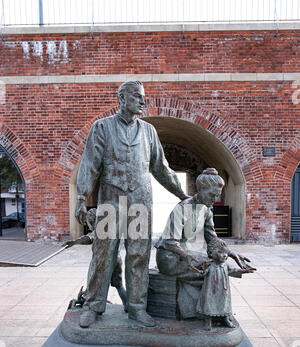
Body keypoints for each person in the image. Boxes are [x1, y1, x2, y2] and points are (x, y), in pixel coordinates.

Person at [75, 81, 187, 328]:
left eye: (143, 97)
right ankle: (93, 306)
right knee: (102, 256)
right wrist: (82, 198)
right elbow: (90, 165)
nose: (142, 101)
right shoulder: (102, 127)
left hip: (140, 203)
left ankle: (137, 308)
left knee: (139, 257)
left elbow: (161, 168)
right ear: (122, 98)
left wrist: (182, 194)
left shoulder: (148, 131)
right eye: (137, 97)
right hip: (109, 204)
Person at [155, 168, 254, 319]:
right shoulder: (182, 208)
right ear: (201, 189)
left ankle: (211, 311)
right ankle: (202, 312)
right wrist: (186, 255)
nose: (214, 199)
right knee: (213, 270)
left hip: (185, 254)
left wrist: (230, 253)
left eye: (217, 195)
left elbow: (212, 237)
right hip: (169, 257)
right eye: (211, 194)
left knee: (216, 267)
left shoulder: (207, 210)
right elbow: (169, 241)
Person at [63, 208, 127, 309]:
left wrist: (74, 242)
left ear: (91, 221)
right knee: (119, 286)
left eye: (87, 222)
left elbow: (88, 239)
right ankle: (127, 305)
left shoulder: (99, 230)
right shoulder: (111, 228)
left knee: (93, 284)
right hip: (117, 260)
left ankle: (91, 304)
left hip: (103, 262)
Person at [197, 237, 255, 330]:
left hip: (223, 290)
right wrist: (202, 269)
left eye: (225, 253)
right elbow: (202, 273)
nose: (224, 255)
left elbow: (233, 270)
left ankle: (225, 318)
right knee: (209, 302)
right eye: (220, 252)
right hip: (210, 290)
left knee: (224, 303)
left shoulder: (225, 265)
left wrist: (245, 271)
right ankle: (208, 320)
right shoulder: (209, 265)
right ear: (211, 253)